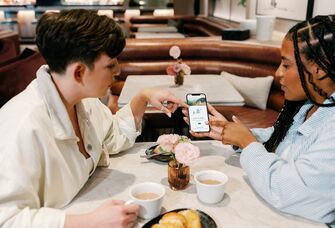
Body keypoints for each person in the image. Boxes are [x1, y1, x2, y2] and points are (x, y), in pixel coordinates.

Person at [0, 9, 184, 227]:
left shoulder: (84, 100)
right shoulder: (20, 127)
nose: (118, 70)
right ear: (79, 72)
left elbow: (111, 136)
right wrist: (88, 222)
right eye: (110, 65)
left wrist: (142, 97)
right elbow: (7, 218)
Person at [183, 15, 335, 226]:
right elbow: (283, 142)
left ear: (319, 68)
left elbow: (288, 191)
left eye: (286, 65)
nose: (277, 73)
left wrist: (248, 142)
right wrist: (236, 134)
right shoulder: (312, 106)